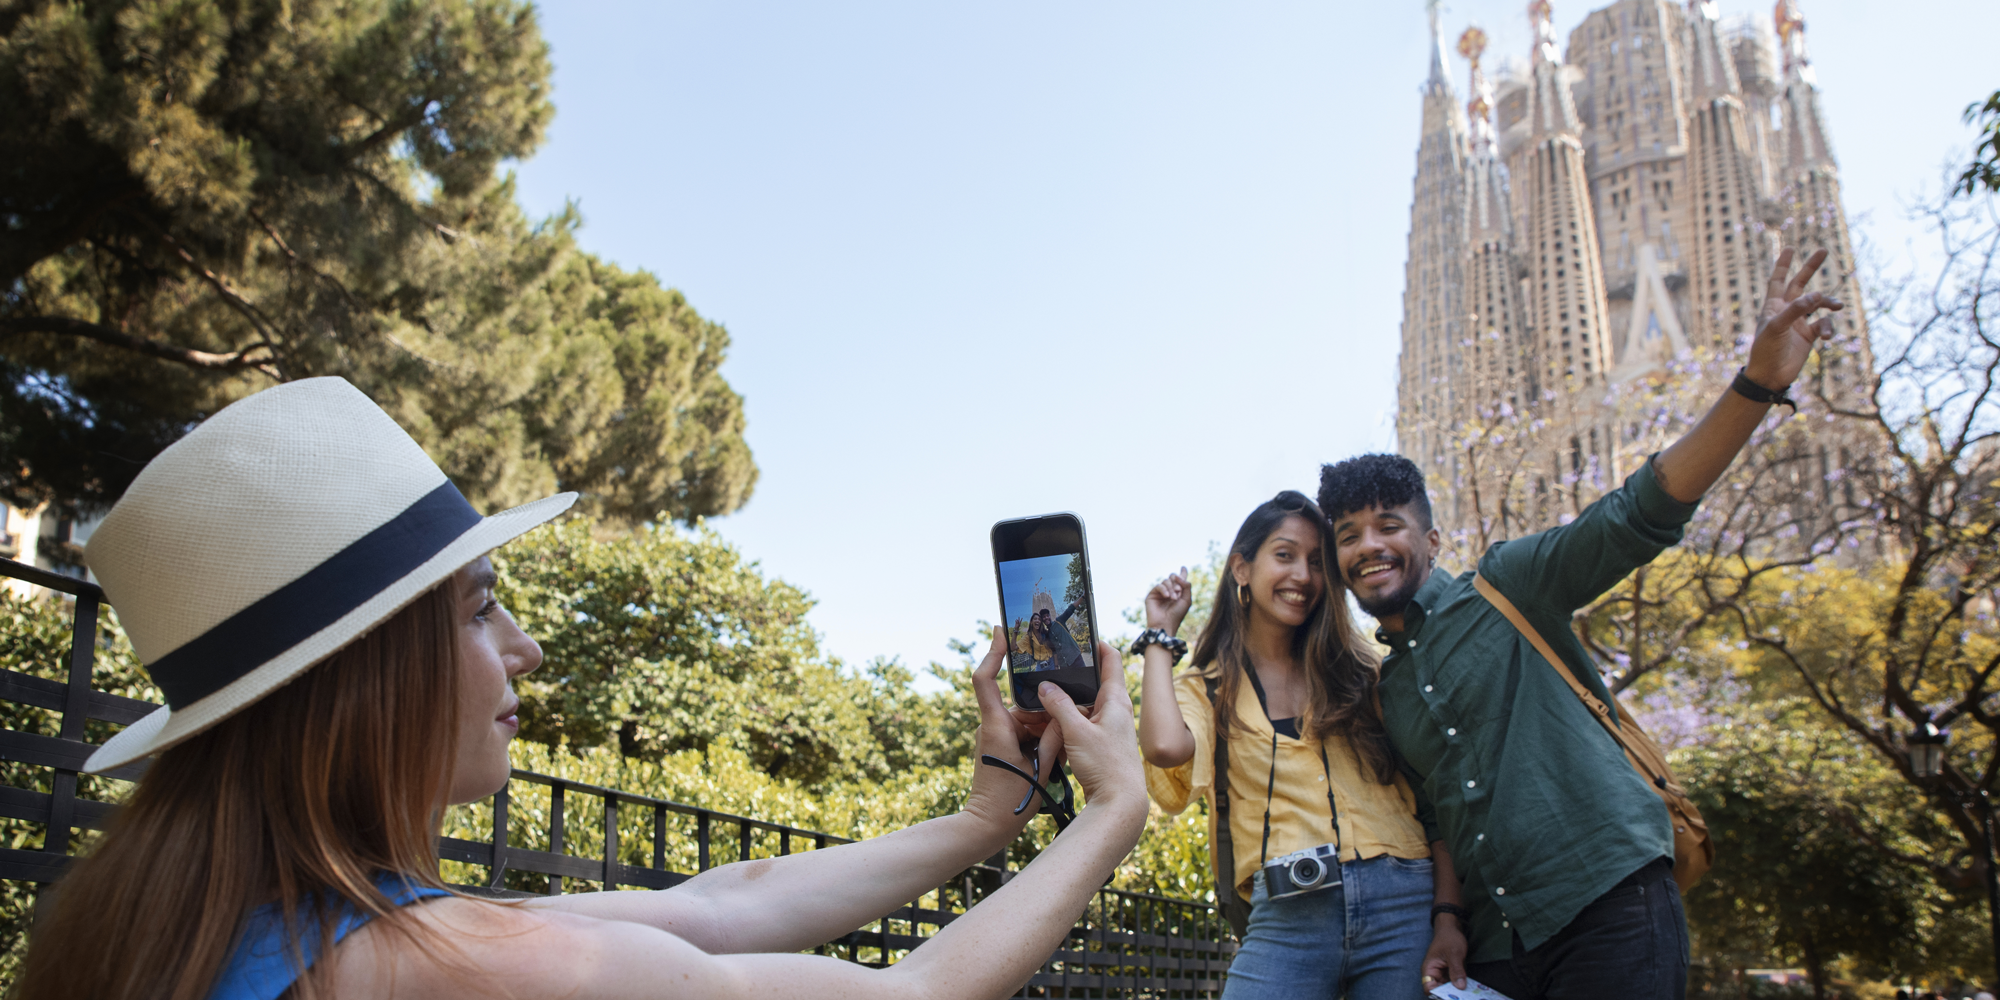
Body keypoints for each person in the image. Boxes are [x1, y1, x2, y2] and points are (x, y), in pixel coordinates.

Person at [12, 376, 1148, 1000]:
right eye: (478, 609)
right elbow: (916, 999)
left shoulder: (191, 921)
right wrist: (1112, 810)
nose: (524, 648)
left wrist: (983, 820)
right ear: (363, 678)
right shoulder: (447, 970)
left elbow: (724, 906)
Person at [1316, 248, 1845, 1000]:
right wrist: (1449, 920)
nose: (1369, 546)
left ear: (1430, 540)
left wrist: (1756, 385)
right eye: (1348, 536)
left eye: (1387, 526)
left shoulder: (1507, 586)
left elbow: (1636, 514)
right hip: (1497, 944)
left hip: (1608, 902)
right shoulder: (1388, 689)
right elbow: (1439, 814)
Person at [1135, 491, 1457, 1000]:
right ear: (1242, 568)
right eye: (1284, 555)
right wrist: (1159, 635)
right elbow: (1164, 748)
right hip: (1289, 910)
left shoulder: (1364, 673)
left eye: (1317, 562)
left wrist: (1448, 915)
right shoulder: (1208, 688)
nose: (1303, 576)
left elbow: (1437, 795)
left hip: (1404, 900)